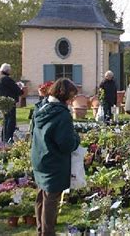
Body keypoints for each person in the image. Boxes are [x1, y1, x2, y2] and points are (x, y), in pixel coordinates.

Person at [31, 78, 80, 236]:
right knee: (51, 200)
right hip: (54, 160)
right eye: (71, 96)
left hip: (39, 157)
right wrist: (77, 139)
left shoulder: (40, 107)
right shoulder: (62, 114)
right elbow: (66, 144)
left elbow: (33, 132)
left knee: (41, 195)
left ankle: (41, 230)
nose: (73, 100)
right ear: (64, 95)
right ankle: (47, 232)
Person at [0, 63, 22, 142]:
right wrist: (20, 88)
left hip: (3, 101)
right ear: (7, 70)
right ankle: (9, 138)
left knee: (5, 120)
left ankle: (4, 137)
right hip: (9, 101)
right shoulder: (7, 79)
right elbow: (16, 89)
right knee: (11, 120)